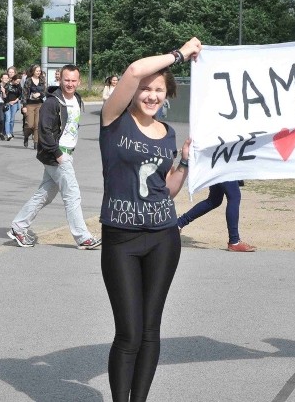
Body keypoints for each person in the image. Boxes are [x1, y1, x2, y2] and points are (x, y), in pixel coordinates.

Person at [98, 38, 201, 402]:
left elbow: (166, 189)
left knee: (150, 332)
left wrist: (184, 161)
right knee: (128, 332)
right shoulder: (113, 120)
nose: (152, 95)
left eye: (159, 90)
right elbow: (133, 70)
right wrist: (180, 54)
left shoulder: (167, 134)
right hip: (121, 239)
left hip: (162, 237)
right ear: (132, 92)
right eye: (146, 89)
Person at [8, 64, 101, 250]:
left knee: (45, 194)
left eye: (74, 80)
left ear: (79, 81)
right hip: (57, 155)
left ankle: (19, 226)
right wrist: (58, 155)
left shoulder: (76, 99)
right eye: (67, 80)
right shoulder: (52, 102)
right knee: (72, 194)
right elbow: (44, 131)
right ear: (60, 80)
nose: (70, 84)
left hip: (66, 153)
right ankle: (83, 237)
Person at [177, 180, 256, 252]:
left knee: (214, 200)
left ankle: (179, 223)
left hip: (216, 167)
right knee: (234, 197)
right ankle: (234, 241)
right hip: (225, 166)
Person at [21, 64, 46, 148]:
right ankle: (26, 136)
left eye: (39, 71)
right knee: (30, 125)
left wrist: (40, 94)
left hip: (39, 104)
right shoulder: (28, 80)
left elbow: (45, 91)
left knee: (37, 124)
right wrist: (24, 106)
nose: (38, 72)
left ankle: (36, 142)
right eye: (37, 71)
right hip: (30, 104)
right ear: (33, 71)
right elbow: (24, 94)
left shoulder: (42, 80)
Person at [4, 73, 23, 141]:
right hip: (7, 103)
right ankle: (7, 133)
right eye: (17, 81)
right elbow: (4, 94)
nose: (18, 83)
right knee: (8, 119)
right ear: (13, 80)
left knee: (12, 119)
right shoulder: (8, 85)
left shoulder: (18, 86)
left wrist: (15, 101)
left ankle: (11, 132)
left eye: (19, 81)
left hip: (14, 103)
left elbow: (21, 95)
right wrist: (8, 102)